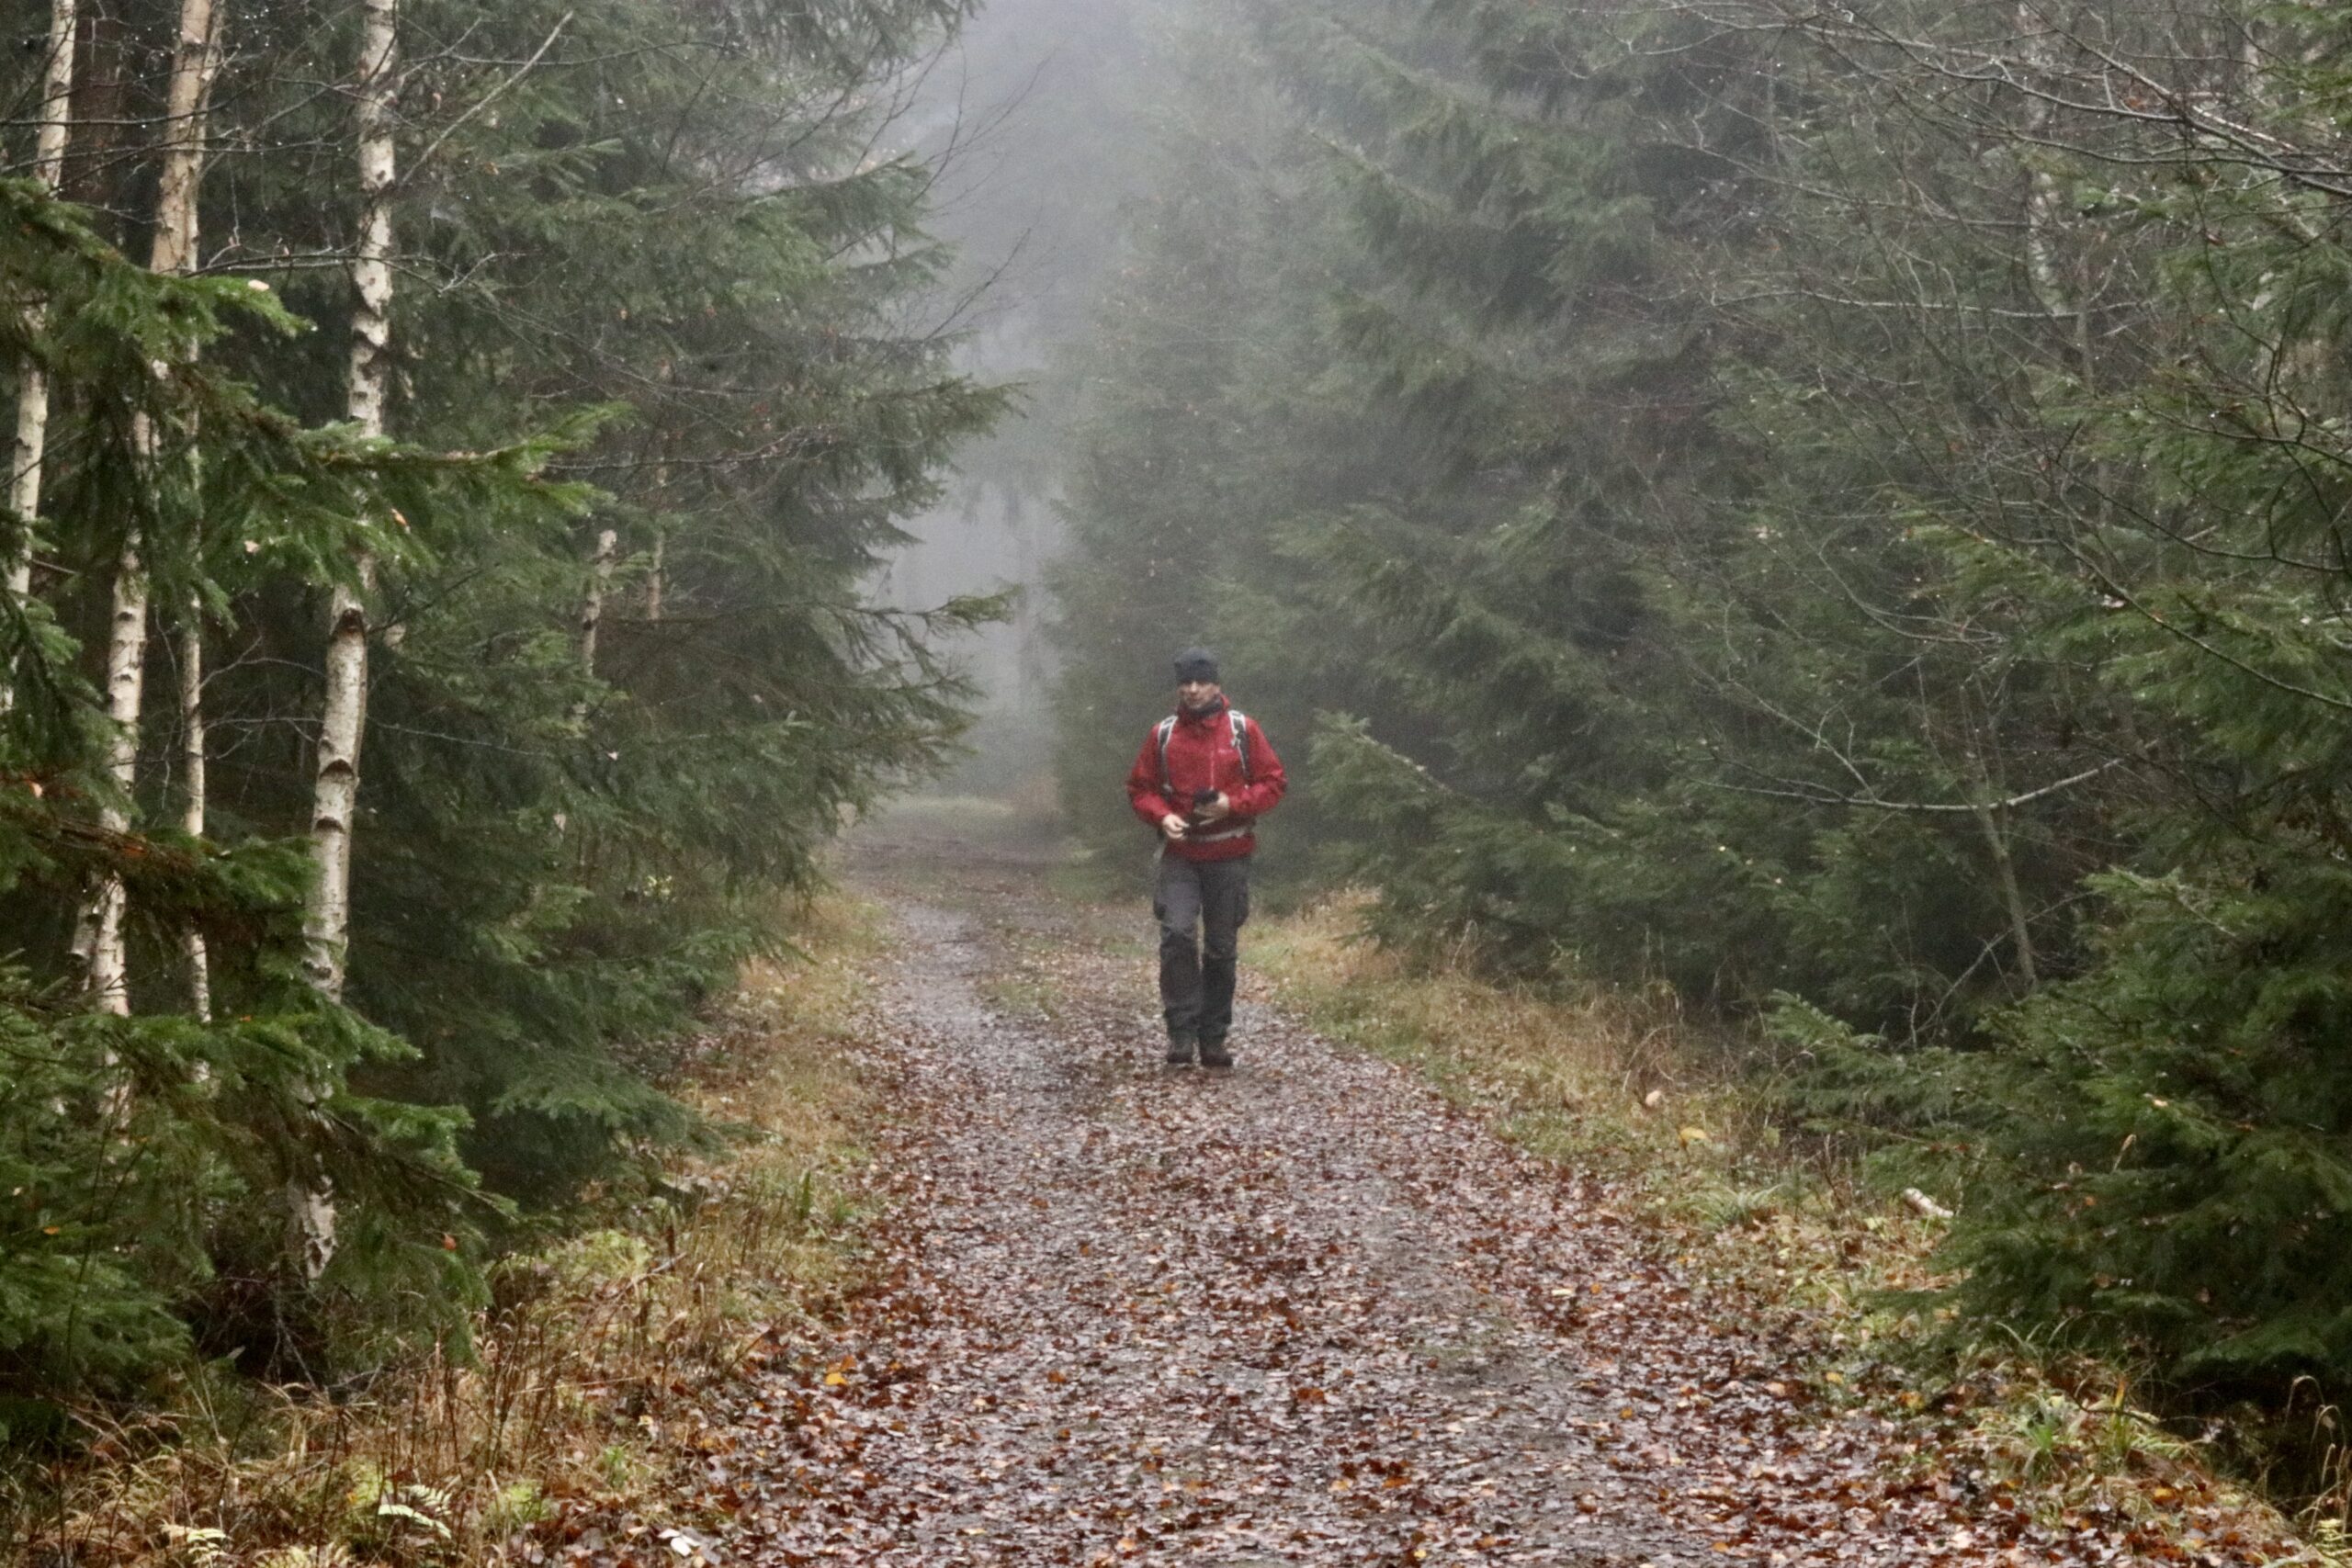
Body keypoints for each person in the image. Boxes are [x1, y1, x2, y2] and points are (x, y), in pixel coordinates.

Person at [1125, 648, 1287, 1067]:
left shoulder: (1242, 729)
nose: (1193, 690)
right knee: (1176, 935)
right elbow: (1139, 789)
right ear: (1178, 686)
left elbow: (1274, 782)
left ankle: (1213, 1038)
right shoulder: (1162, 734)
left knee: (1220, 948)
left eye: (1201, 682)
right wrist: (1163, 818)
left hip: (1229, 852)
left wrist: (1232, 805)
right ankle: (1181, 1033)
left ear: (1217, 684)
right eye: (1186, 683)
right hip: (1180, 854)